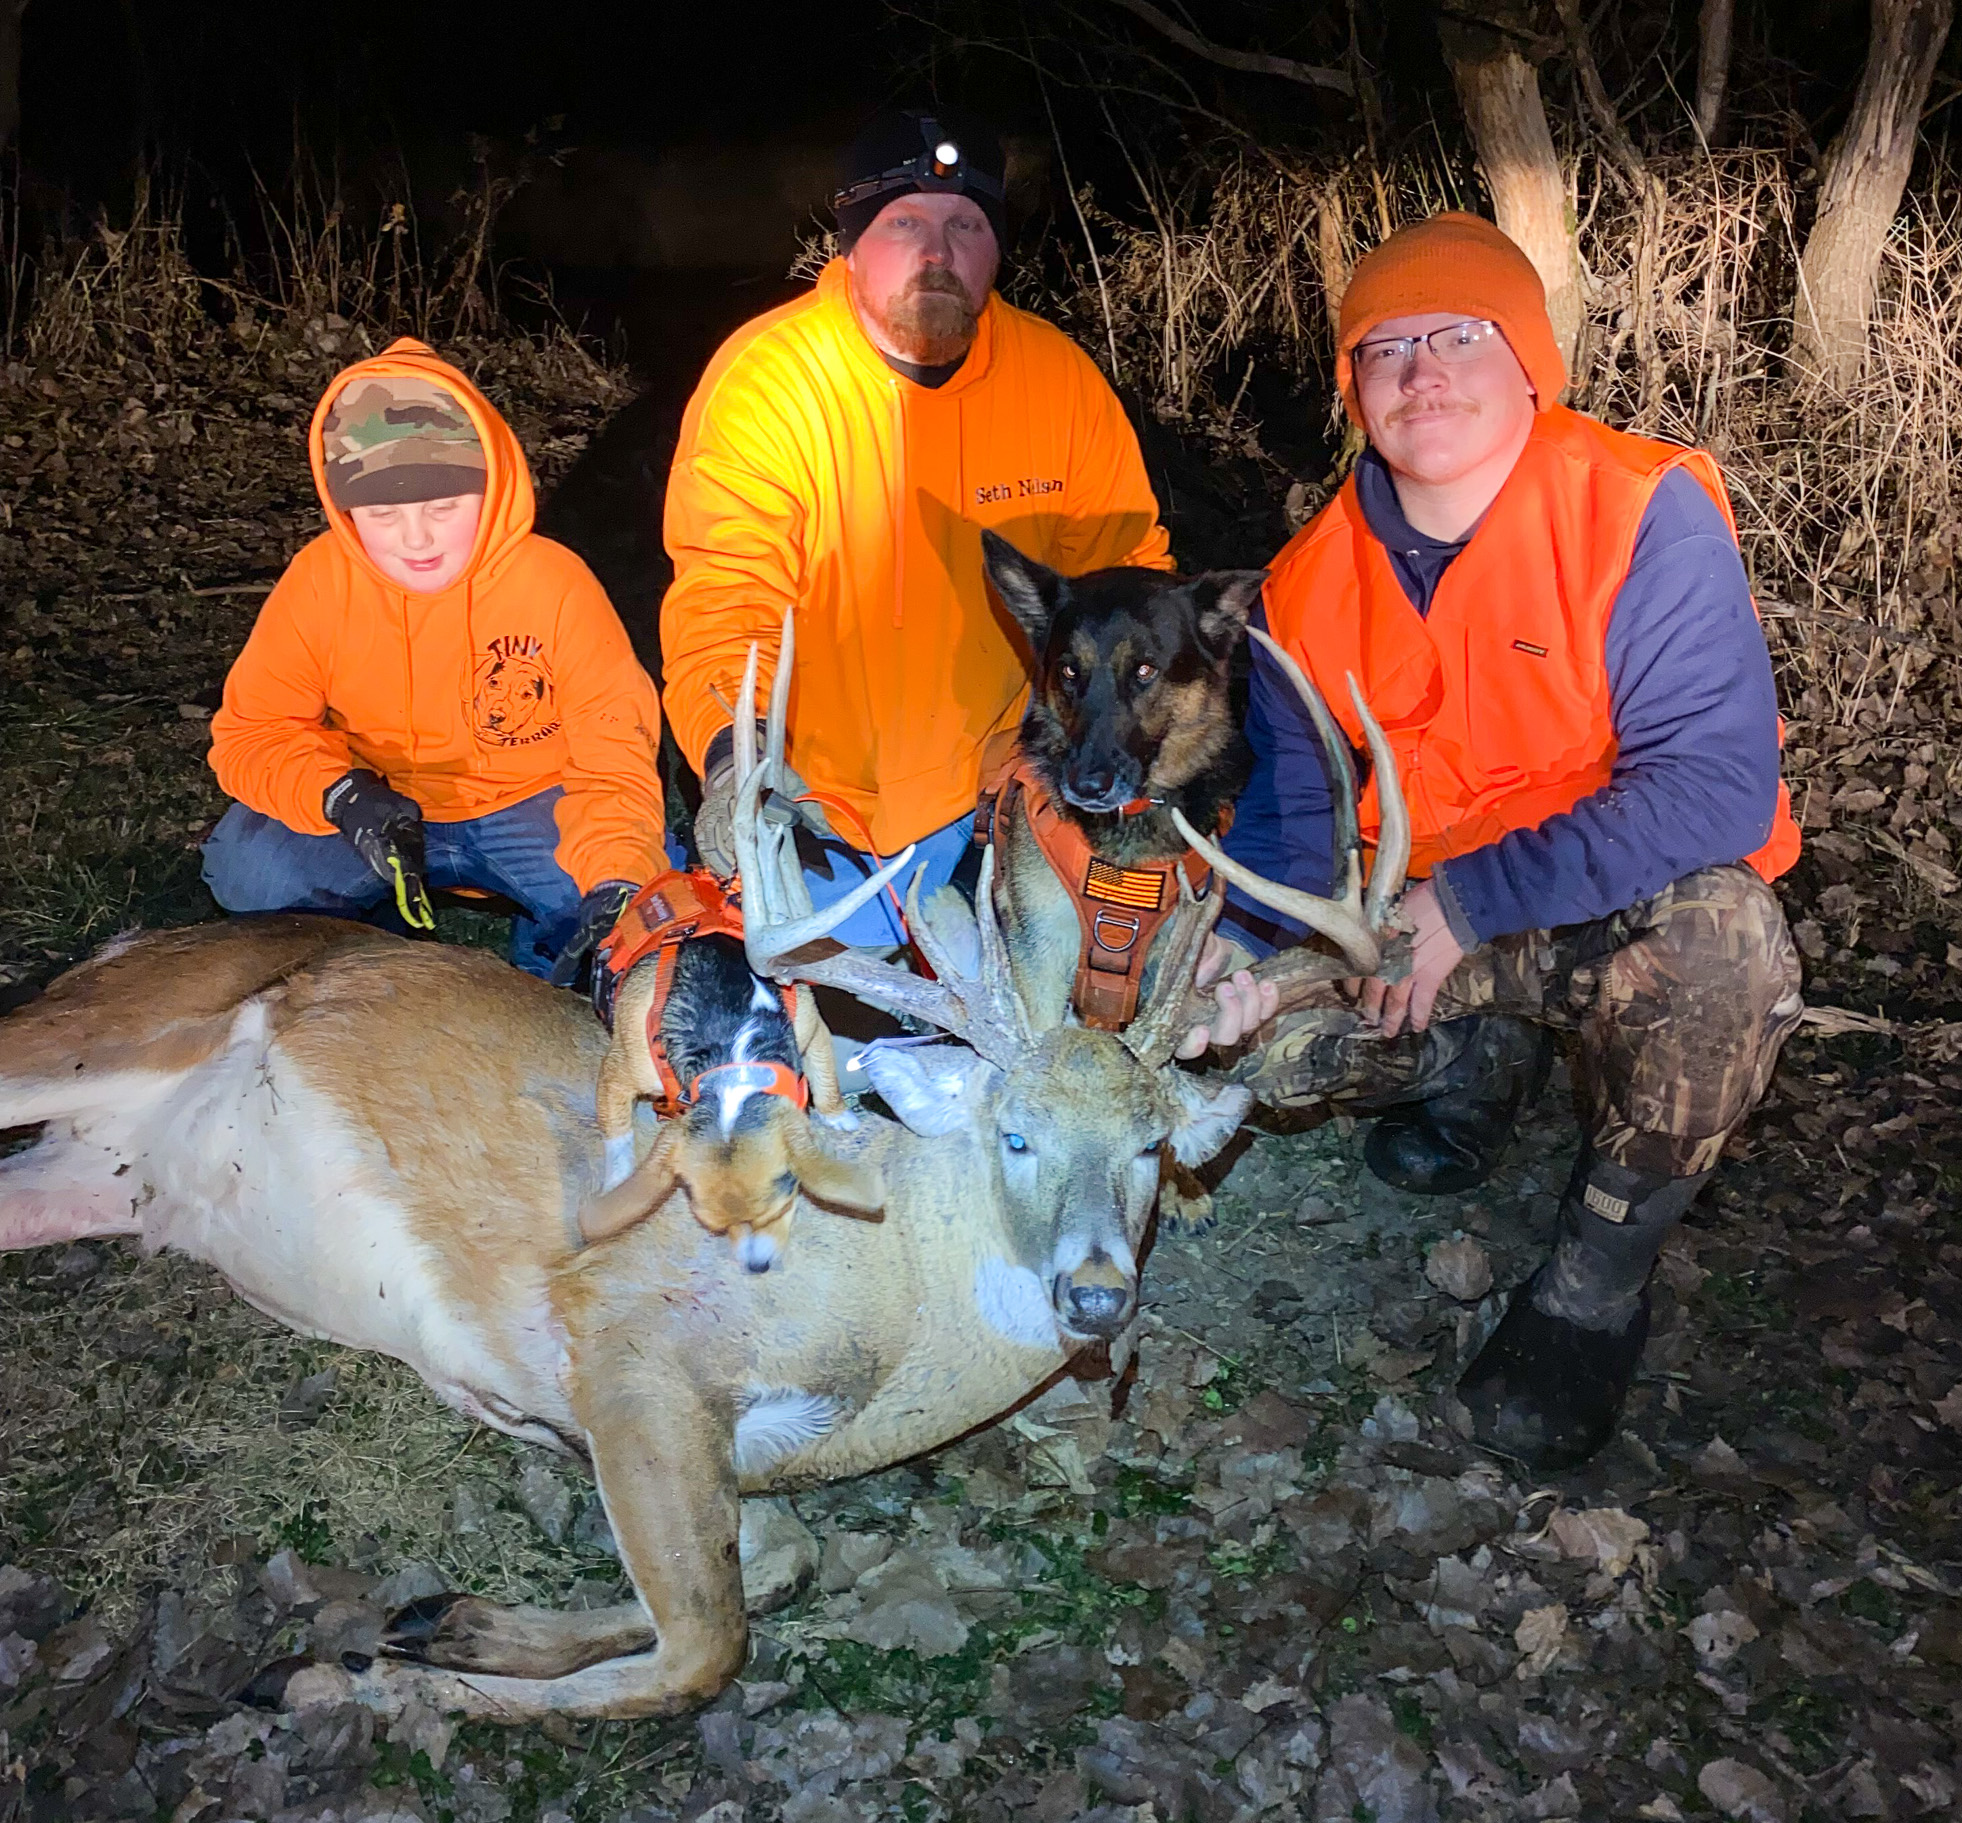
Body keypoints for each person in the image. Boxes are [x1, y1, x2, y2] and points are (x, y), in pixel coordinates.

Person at [1192, 213, 1804, 1468]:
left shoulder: (1638, 509)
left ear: (1527, 360)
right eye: (1385, 347)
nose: (1421, 374)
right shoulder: (1304, 582)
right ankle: (1469, 1064)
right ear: (1353, 387)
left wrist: (1465, 904)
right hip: (1424, 918)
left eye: (1458, 336)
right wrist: (1246, 950)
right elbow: (1300, 819)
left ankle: (1593, 1284)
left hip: (1608, 894)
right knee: (1274, 1046)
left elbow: (1716, 788)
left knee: (1725, 956)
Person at [660, 107, 1170, 945]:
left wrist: (1089, 740)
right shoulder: (769, 384)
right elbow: (726, 595)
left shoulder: (1059, 382)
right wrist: (737, 764)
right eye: (904, 223)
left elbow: (1131, 587)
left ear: (998, 250)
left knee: (1096, 1008)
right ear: (850, 241)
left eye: (967, 225)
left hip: (1007, 793)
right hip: (818, 806)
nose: (938, 254)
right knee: (805, 1042)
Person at [204, 338, 667, 984]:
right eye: (384, 513)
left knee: (632, 888)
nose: (416, 538)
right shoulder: (319, 583)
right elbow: (250, 732)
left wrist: (617, 872)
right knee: (248, 869)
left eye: (444, 508)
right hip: (380, 804)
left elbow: (614, 749)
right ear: (346, 510)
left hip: (528, 803)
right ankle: (360, 944)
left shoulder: (555, 584)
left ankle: (550, 964)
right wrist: (338, 793)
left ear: (491, 488)